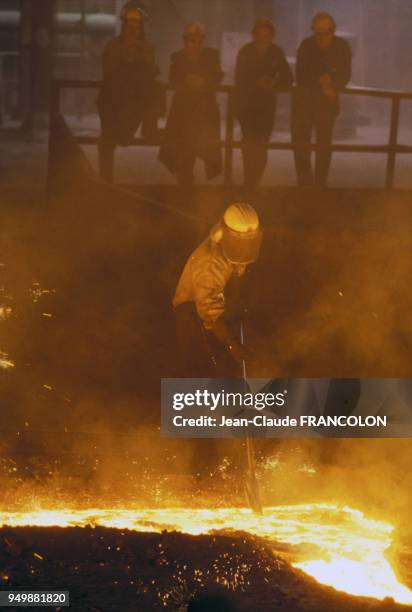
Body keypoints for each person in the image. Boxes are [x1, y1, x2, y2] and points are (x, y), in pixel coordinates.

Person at [173, 203, 262, 377]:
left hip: (217, 309)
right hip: (193, 313)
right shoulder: (211, 262)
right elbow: (208, 309)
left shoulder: (235, 247)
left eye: (249, 241)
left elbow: (238, 270)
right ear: (229, 235)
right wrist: (231, 342)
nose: (246, 247)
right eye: (242, 242)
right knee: (203, 369)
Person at [97, 1, 161, 182]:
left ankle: (150, 129)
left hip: (136, 103)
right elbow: (109, 75)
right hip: (113, 103)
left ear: (141, 27)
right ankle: (105, 184)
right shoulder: (113, 46)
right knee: (107, 144)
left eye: (137, 25)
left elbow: (149, 74)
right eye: (130, 24)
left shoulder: (147, 48)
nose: (133, 28)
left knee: (156, 90)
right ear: (124, 25)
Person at [159, 23, 223, 186]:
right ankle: (185, 189)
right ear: (185, 41)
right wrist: (186, 81)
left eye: (198, 41)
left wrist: (204, 82)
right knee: (183, 155)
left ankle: (194, 196)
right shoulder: (177, 58)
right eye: (191, 41)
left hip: (204, 115)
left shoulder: (211, 57)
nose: (195, 45)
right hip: (183, 116)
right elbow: (173, 80)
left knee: (203, 149)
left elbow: (217, 77)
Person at [291, 12, 352, 187]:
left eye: (325, 33)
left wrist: (333, 84)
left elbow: (346, 73)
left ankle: (320, 183)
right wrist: (322, 82)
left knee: (324, 145)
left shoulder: (341, 47)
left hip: (326, 104)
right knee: (302, 145)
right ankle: (304, 182)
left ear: (332, 31)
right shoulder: (306, 46)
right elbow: (301, 75)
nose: (321, 37)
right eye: (318, 33)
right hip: (306, 104)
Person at [235, 18, 293, 190]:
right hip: (247, 105)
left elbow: (288, 78)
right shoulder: (245, 52)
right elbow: (239, 78)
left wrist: (273, 82)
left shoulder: (276, 53)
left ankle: (254, 180)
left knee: (261, 145)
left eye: (266, 35)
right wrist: (256, 83)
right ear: (253, 35)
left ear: (271, 36)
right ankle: (249, 181)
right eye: (259, 35)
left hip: (266, 106)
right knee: (248, 144)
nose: (263, 39)